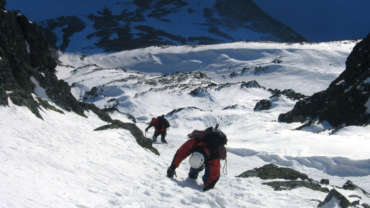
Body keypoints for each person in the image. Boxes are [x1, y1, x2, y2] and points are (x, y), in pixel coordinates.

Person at [166, 125, 227, 191]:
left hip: (210, 155)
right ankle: (193, 174)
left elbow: (215, 173)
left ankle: (202, 178)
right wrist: (172, 167)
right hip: (201, 153)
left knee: (209, 172)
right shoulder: (194, 143)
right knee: (195, 164)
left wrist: (209, 186)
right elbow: (180, 153)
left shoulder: (214, 154)